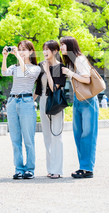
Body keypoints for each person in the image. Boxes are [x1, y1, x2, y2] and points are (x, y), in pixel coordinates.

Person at [60, 36, 99, 179]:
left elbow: (87, 79)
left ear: (70, 45)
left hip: (88, 101)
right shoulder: (71, 61)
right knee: (78, 135)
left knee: (87, 134)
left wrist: (70, 73)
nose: (61, 47)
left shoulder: (79, 59)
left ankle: (87, 169)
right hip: (78, 100)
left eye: (63, 44)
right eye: (60, 45)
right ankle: (83, 166)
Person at [2, 40, 41, 180]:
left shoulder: (35, 68)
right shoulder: (15, 67)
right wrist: (5, 56)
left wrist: (18, 56)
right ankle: (19, 168)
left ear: (31, 51)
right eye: (19, 49)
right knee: (15, 138)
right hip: (12, 101)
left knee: (28, 139)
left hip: (26, 102)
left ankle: (29, 169)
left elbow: (27, 74)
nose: (21, 51)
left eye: (24, 49)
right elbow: (4, 72)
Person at [35, 40, 66, 179]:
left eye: (47, 49)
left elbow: (54, 88)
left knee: (56, 136)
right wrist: (30, 100)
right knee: (46, 136)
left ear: (55, 51)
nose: (44, 52)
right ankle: (50, 168)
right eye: (43, 49)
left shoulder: (60, 68)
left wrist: (48, 71)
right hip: (43, 101)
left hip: (55, 102)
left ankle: (57, 169)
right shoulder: (40, 66)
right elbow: (38, 88)